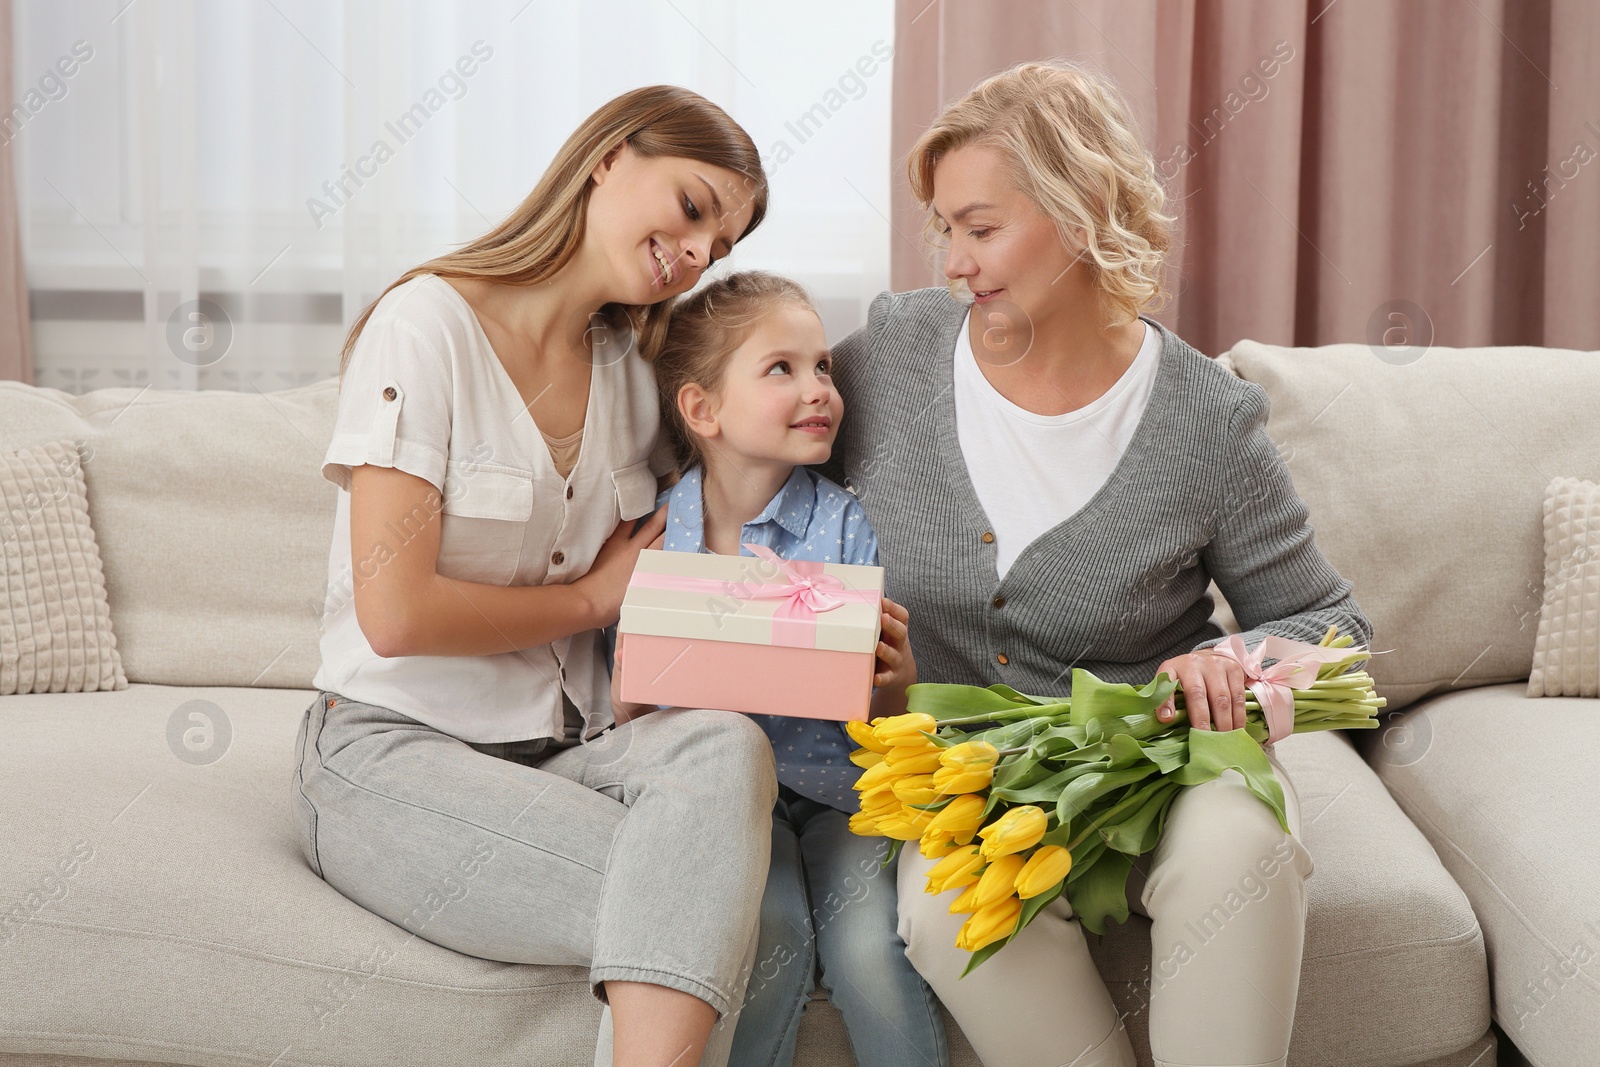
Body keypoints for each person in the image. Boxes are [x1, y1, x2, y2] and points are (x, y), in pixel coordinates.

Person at [818, 61, 1372, 1067]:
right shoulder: (894, 355)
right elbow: (758, 458)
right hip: (969, 776)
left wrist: (1235, 668)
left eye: (979, 228)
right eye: (943, 229)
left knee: (1241, 854)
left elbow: (1335, 628)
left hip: (1162, 756)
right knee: (948, 915)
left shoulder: (1208, 419)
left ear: (1080, 213)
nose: (953, 260)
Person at [289, 85, 779, 1067]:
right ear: (607, 158)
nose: (694, 253)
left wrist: (826, 625)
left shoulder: (633, 377)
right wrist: (594, 597)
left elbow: (683, 571)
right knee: (702, 902)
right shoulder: (423, 326)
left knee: (724, 748)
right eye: (690, 208)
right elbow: (394, 611)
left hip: (563, 756)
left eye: (717, 246)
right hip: (387, 753)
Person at [610, 270, 948, 1067]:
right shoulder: (658, 537)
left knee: (869, 951)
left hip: (839, 796)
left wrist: (896, 683)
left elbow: (880, 712)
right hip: (727, 809)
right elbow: (630, 716)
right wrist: (633, 679)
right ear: (702, 409)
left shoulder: (846, 521)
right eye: (782, 369)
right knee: (770, 941)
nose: (819, 388)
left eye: (823, 366)